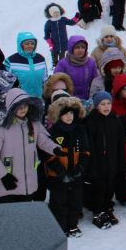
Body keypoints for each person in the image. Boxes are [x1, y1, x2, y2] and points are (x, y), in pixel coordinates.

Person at [0, 88, 59, 203]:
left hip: (27, 183)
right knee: (7, 217)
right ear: (11, 108)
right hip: (8, 182)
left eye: (25, 105)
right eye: (18, 106)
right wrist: (3, 175)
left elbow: (43, 140)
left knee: (24, 217)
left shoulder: (34, 124)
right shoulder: (1, 128)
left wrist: (55, 149)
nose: (23, 109)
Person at [45, 96, 89, 237]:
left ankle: (72, 225)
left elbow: (85, 151)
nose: (69, 116)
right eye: (65, 113)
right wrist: (60, 171)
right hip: (58, 175)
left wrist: (80, 167)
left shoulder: (80, 130)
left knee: (75, 201)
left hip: (76, 173)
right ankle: (60, 226)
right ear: (58, 115)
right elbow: (47, 154)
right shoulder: (53, 131)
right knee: (59, 201)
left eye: (71, 113)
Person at [84, 91, 125, 229]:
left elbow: (120, 143)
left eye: (108, 103)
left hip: (112, 162)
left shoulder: (115, 120)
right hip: (98, 163)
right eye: (103, 104)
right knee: (99, 188)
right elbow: (89, 145)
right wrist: (91, 165)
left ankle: (107, 208)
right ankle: (98, 212)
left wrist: (121, 162)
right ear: (96, 106)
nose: (106, 106)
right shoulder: (91, 122)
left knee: (109, 187)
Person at [54, 36, 98, 101]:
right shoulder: (63, 64)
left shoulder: (91, 63)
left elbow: (95, 82)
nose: (80, 50)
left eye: (83, 47)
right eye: (77, 47)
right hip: (68, 100)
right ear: (71, 49)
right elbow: (57, 82)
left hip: (87, 99)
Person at [5, 32, 47, 99]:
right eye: (27, 43)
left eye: (32, 43)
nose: (30, 46)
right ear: (21, 45)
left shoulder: (40, 59)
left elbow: (45, 79)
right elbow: (6, 83)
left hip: (39, 98)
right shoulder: (10, 61)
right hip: (21, 101)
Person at [43, 3, 78, 67]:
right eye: (54, 13)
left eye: (57, 12)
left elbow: (71, 22)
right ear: (50, 14)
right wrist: (49, 42)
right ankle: (55, 64)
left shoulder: (63, 19)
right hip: (53, 43)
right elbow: (46, 33)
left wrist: (76, 17)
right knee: (54, 54)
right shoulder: (49, 22)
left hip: (63, 42)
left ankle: (62, 65)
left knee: (62, 54)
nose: (56, 14)